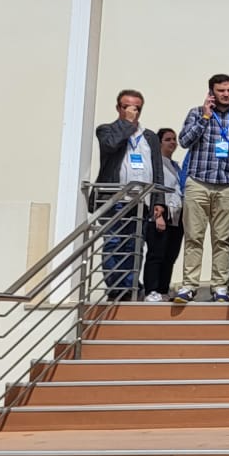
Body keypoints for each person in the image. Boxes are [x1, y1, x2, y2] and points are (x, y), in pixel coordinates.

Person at [175, 73, 229, 303]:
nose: (226, 94)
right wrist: (205, 117)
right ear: (211, 92)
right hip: (198, 182)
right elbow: (184, 141)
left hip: (228, 186)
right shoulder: (196, 113)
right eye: (221, 91)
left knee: (222, 239)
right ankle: (189, 285)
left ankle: (219, 286)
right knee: (194, 236)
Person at [93, 89, 167, 299]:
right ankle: (116, 288)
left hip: (140, 201)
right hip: (115, 199)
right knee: (115, 243)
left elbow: (157, 168)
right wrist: (127, 123)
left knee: (134, 245)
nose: (133, 111)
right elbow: (110, 145)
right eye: (127, 107)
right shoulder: (106, 130)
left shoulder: (149, 136)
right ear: (118, 108)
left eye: (137, 108)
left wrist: (158, 200)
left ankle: (129, 287)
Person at [143, 128, 184, 301]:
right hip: (161, 210)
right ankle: (151, 289)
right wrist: (157, 215)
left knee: (170, 255)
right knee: (156, 253)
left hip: (176, 213)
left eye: (174, 139)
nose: (172, 142)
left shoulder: (176, 166)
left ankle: (163, 288)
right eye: (168, 139)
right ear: (159, 143)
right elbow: (154, 189)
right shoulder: (155, 164)